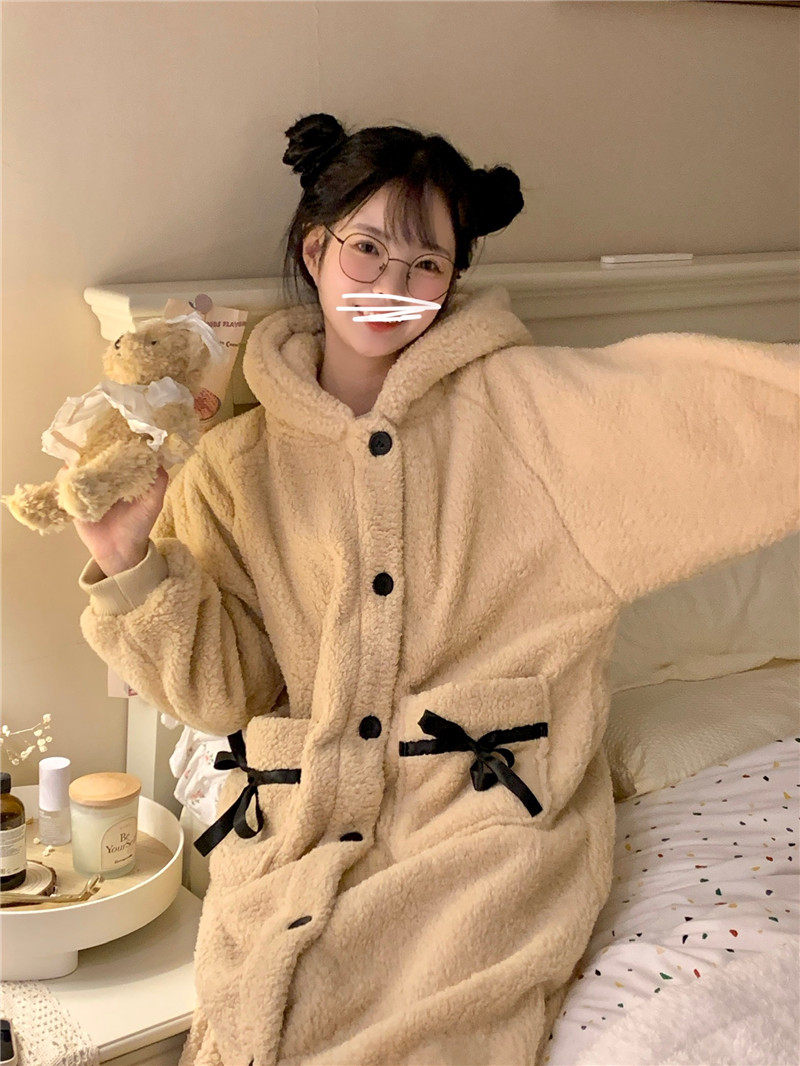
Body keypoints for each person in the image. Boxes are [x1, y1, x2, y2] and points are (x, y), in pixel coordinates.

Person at [73, 113, 799, 1066]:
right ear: (315, 250)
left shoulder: (531, 417)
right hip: (300, 830)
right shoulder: (234, 466)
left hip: (481, 828)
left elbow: (718, 416)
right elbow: (223, 694)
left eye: (426, 265)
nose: (391, 284)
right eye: (367, 249)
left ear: (453, 282)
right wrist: (130, 560)